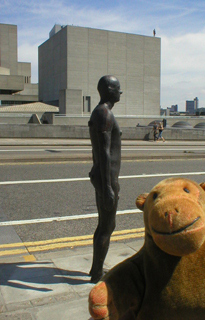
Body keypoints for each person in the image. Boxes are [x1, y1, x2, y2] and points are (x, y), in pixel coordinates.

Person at [88, 75, 122, 283]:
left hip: (105, 177)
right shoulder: (104, 113)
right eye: (118, 88)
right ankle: (97, 273)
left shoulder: (101, 112)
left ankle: (95, 269)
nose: (121, 92)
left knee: (104, 225)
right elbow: (104, 152)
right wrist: (108, 187)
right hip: (106, 178)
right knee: (107, 226)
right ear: (109, 89)